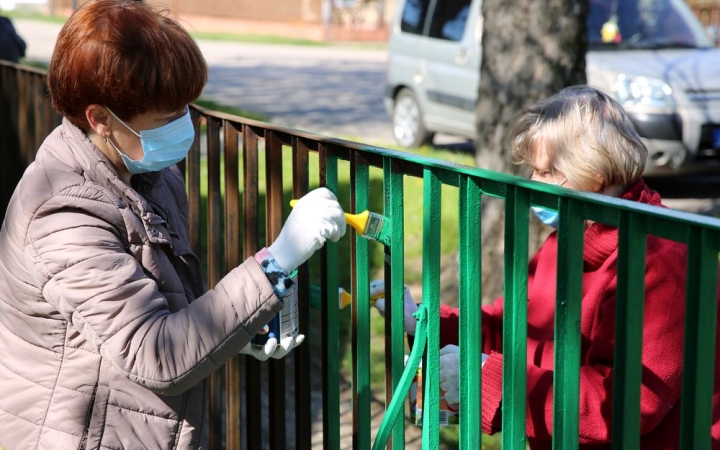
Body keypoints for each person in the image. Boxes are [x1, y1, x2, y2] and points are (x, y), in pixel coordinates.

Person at [0, 1, 346, 448]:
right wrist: (276, 262)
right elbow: (155, 354)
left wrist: (235, 333)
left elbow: (153, 308)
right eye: (165, 119)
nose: (184, 126)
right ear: (100, 119)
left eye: (185, 109)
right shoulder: (64, 216)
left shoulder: (148, 174)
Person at [371, 85, 720, 448]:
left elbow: (624, 405)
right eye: (534, 171)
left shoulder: (662, 262)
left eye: (547, 172)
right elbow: (514, 324)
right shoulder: (571, 235)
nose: (534, 185)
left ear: (595, 174)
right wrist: (429, 321)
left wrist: (490, 380)